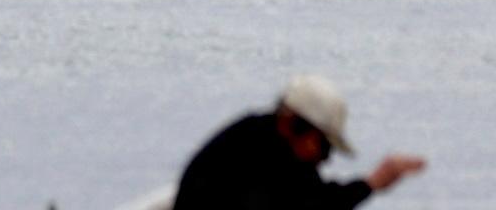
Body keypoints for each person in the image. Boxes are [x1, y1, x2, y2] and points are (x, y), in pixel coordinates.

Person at [168, 73, 427, 205]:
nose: (323, 159)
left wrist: (373, 183)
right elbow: (311, 205)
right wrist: (371, 184)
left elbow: (314, 199)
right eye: (325, 147)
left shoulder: (269, 143)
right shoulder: (257, 161)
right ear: (293, 125)